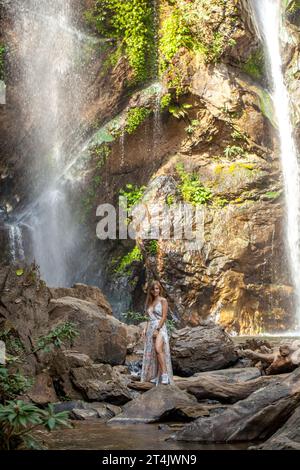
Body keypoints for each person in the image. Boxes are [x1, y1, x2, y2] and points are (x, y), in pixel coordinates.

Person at [140, 280, 174, 385]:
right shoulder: (150, 302)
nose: (155, 291)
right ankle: (156, 376)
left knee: (158, 349)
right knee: (154, 353)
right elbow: (148, 318)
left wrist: (157, 329)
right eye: (153, 289)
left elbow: (164, 317)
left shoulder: (163, 300)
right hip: (150, 328)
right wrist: (145, 329)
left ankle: (165, 375)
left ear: (160, 289)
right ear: (150, 290)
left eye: (157, 288)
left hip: (160, 327)